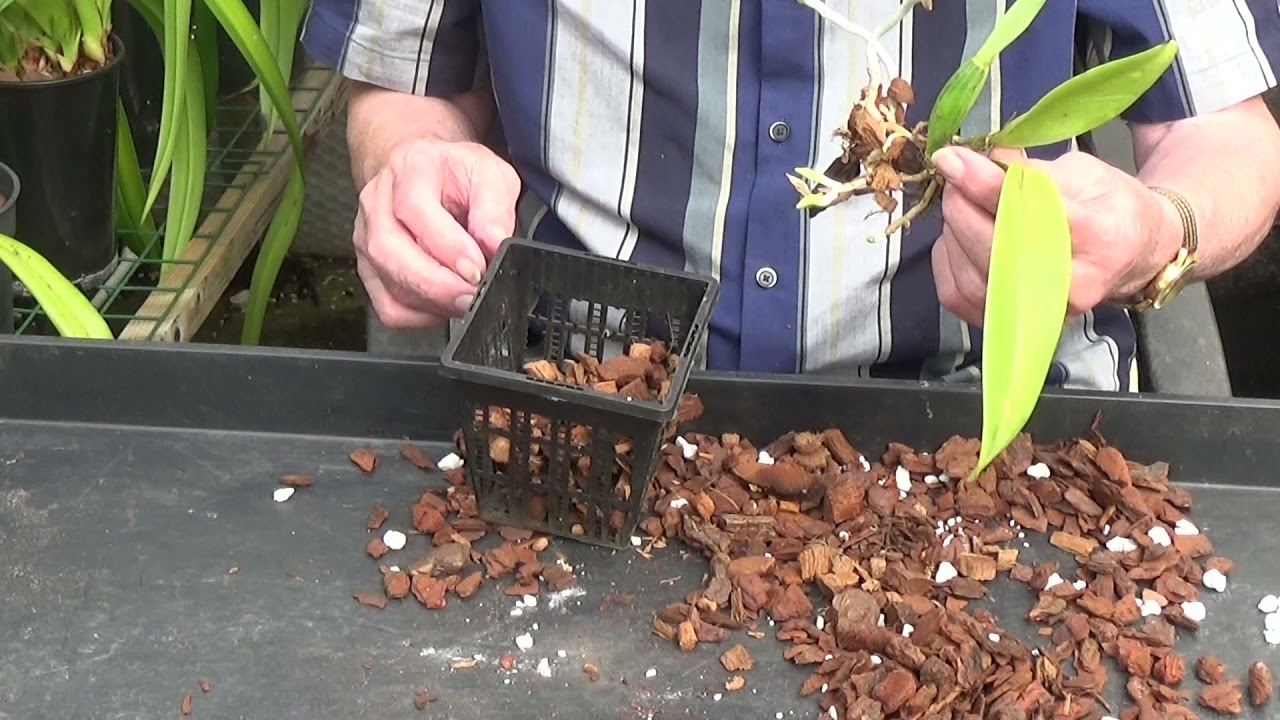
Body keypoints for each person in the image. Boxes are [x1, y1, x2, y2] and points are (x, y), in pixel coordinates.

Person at [300, 0, 1280, 392]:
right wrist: (411, 162)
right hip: (577, 413)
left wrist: (1160, 229)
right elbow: (412, 83)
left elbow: (1220, 132)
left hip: (975, 418)